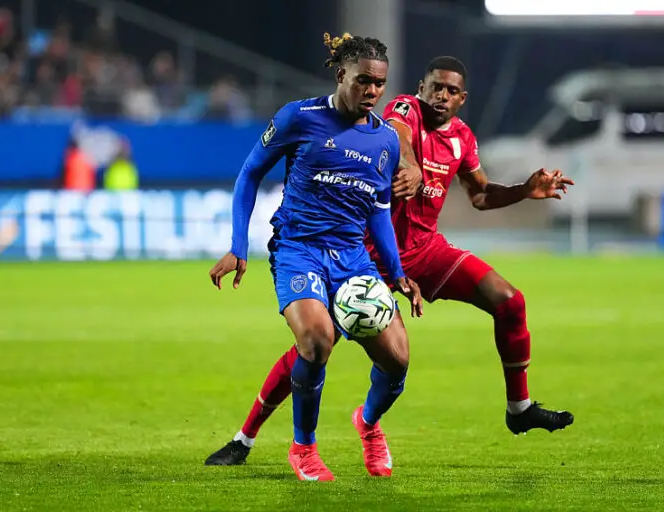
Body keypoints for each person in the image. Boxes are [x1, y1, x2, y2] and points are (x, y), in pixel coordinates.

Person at [206, 55, 575, 468]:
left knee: (507, 300)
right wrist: (410, 164)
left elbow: (481, 195)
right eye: (436, 87)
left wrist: (524, 190)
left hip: (425, 249)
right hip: (369, 253)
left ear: (463, 98)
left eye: (452, 91)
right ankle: (248, 437)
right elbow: (397, 132)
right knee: (313, 345)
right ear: (420, 88)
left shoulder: (462, 139)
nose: (442, 96)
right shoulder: (402, 112)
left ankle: (514, 408)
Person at [207, 32, 423, 482]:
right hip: (298, 249)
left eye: (379, 84)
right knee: (317, 339)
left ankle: (368, 423)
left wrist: (397, 273)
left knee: (398, 359)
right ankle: (303, 447)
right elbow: (249, 174)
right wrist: (237, 245)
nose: (372, 91)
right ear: (341, 74)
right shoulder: (299, 117)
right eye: (363, 80)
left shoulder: (385, 141)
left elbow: (379, 212)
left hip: (353, 258)